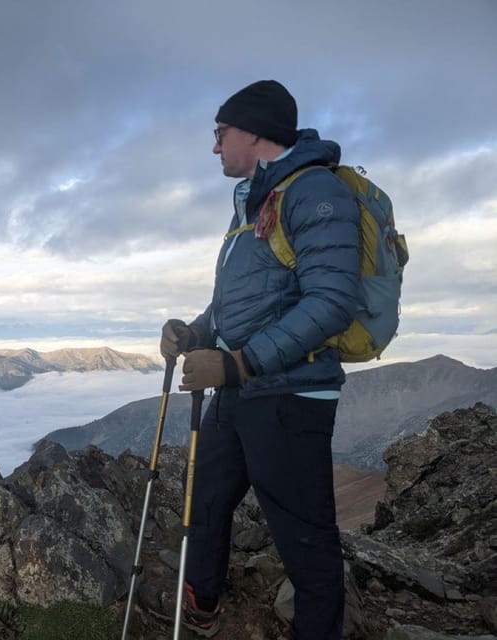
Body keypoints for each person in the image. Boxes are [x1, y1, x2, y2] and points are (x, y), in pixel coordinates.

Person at [160, 80, 360, 639]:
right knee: (205, 499)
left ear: (253, 131)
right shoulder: (254, 198)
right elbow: (239, 299)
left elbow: (332, 301)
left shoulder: (315, 192)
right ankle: (200, 599)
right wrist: (195, 332)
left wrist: (238, 365)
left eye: (220, 133)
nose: (215, 147)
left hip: (290, 396)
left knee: (304, 535)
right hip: (239, 392)